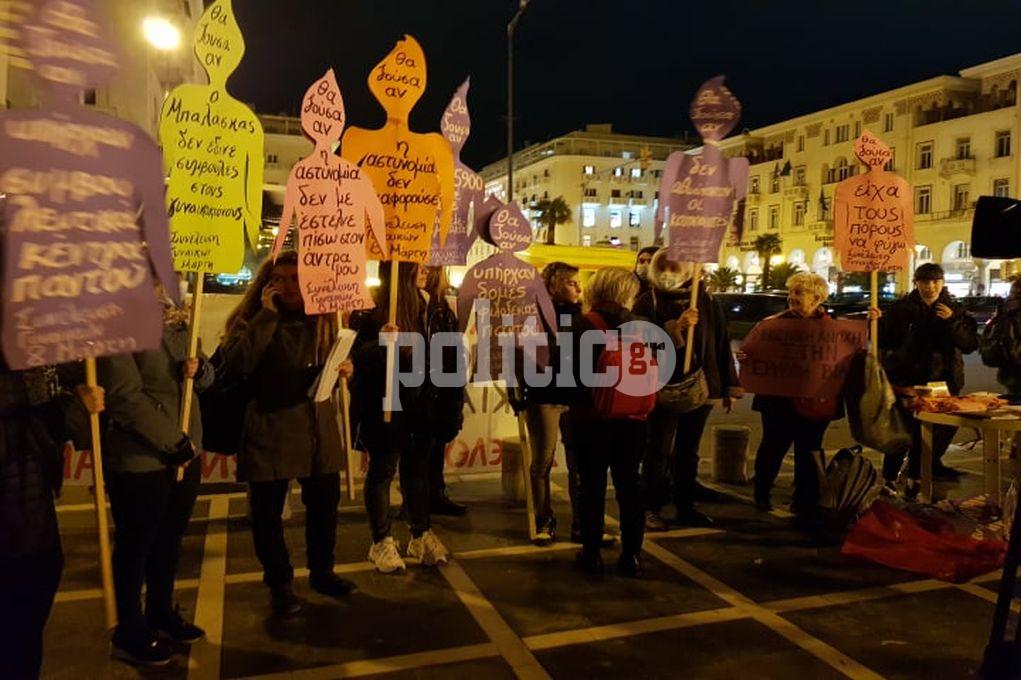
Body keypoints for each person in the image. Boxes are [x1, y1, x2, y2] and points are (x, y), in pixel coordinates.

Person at [221, 251, 354, 618]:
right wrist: (267, 316)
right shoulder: (251, 319)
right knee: (266, 514)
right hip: (270, 428)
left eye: (297, 278)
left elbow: (329, 366)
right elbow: (237, 365)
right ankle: (279, 582)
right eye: (280, 278)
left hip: (316, 430)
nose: (290, 286)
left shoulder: (326, 319)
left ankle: (322, 572)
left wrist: (344, 367)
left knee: (324, 508)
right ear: (267, 283)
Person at [98, 285, 211, 665]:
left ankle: (161, 611)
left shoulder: (182, 318)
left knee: (170, 540)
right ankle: (129, 629)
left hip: (184, 451)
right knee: (136, 546)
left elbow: (206, 376)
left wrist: (200, 368)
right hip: (142, 457)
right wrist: (170, 440)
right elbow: (124, 394)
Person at [0, 364, 102, 678]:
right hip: (15, 532)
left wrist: (78, 405)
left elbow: (62, 430)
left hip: (33, 529)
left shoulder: (28, 367)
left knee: (25, 640)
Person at [350, 261, 450, 573]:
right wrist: (381, 345)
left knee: (417, 471)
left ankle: (420, 533)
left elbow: (447, 353)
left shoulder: (435, 307)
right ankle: (381, 540)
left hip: (422, 403)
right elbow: (352, 359)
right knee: (383, 470)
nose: (427, 270)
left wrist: (449, 401)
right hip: (386, 404)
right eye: (419, 266)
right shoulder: (371, 309)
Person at [633, 248, 742, 529]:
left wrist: (729, 386)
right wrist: (675, 328)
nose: (669, 273)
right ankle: (650, 507)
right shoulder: (647, 302)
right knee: (658, 450)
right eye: (664, 268)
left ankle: (685, 505)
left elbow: (720, 342)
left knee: (688, 450)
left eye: (674, 267)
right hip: (662, 388)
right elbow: (642, 345)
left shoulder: (705, 301)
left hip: (701, 387)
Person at [748, 273, 874, 512]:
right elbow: (751, 354)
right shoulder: (773, 325)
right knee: (773, 447)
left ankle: (804, 499)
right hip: (779, 402)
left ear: (817, 297)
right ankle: (762, 492)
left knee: (809, 451)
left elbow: (852, 360)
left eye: (799, 292)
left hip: (818, 402)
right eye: (791, 292)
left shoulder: (835, 330)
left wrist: (874, 326)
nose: (792, 298)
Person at [569, 267, 647, 576]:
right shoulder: (640, 327)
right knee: (630, 485)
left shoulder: (581, 326)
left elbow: (567, 374)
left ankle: (591, 554)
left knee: (591, 485)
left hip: (591, 419)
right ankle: (632, 556)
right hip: (633, 418)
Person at [878, 263, 979, 494]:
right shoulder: (902, 309)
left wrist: (952, 321)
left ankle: (917, 477)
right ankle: (889, 479)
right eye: (925, 281)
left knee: (932, 434)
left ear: (942, 283)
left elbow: (970, 344)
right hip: (908, 381)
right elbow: (885, 341)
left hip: (943, 382)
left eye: (935, 281)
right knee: (902, 430)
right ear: (916, 283)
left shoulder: (955, 309)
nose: (930, 286)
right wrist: (875, 322)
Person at [523, 261, 583, 545]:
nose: (578, 288)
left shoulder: (582, 315)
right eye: (571, 283)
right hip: (544, 394)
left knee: (579, 462)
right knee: (542, 462)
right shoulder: (534, 315)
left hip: (576, 394)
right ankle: (544, 518)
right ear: (552, 285)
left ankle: (582, 521)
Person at [423, 266, 468, 517]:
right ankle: (421, 499)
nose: (427, 274)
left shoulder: (444, 308)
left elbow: (452, 351)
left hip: (442, 387)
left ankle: (435, 493)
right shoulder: (416, 306)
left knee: (436, 445)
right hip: (424, 387)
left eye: (432, 270)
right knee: (423, 449)